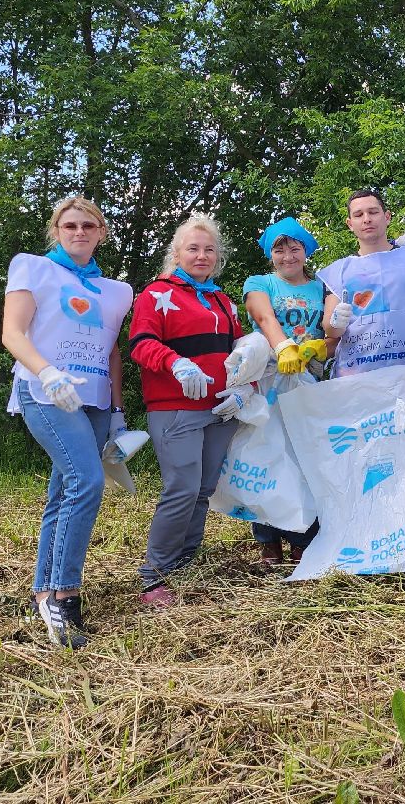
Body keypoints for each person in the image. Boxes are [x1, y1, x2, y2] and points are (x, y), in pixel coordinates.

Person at [2, 196, 133, 648]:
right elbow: (12, 332)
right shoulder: (33, 267)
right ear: (56, 231)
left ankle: (43, 591)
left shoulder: (118, 290)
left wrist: (117, 413)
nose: (79, 232)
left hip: (93, 398)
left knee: (64, 490)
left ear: (101, 233)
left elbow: (112, 352)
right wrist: (47, 372)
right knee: (86, 481)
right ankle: (64, 595)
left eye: (88, 226)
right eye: (70, 225)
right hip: (46, 390)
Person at [129, 212, 269, 608]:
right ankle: (154, 576)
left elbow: (243, 353)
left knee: (203, 490)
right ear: (177, 253)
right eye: (193, 248)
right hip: (175, 406)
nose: (202, 255)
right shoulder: (156, 294)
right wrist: (175, 363)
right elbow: (140, 344)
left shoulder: (222, 300)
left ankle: (184, 564)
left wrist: (246, 389)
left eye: (209, 249)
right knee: (182, 488)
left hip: (220, 408)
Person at [242, 217, 326, 567]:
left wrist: (321, 347)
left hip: (308, 382)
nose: (288, 256)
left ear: (306, 251)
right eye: (279, 249)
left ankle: (303, 538)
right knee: (266, 455)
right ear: (270, 255)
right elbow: (264, 318)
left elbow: (334, 333)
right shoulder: (260, 282)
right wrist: (283, 347)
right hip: (268, 380)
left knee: (304, 457)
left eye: (294, 248)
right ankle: (268, 541)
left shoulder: (322, 287)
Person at [318, 190, 405, 375]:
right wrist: (336, 322)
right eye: (359, 215)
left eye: (373, 212)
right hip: (357, 375)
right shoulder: (338, 271)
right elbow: (331, 331)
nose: (367, 219)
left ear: (387, 217)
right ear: (350, 224)